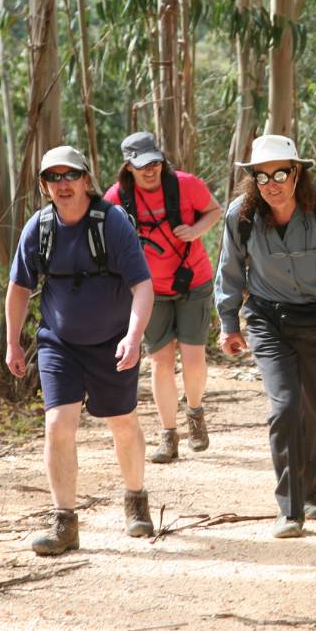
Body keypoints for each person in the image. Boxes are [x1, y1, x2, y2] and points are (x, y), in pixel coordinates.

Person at [215, 135, 316, 539]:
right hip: (267, 321)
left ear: (297, 172)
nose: (272, 183)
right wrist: (228, 324)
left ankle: (311, 488)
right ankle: (290, 509)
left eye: (281, 173)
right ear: (252, 180)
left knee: (313, 410)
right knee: (284, 407)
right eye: (262, 176)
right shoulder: (242, 216)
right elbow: (229, 272)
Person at [5, 145, 156, 555]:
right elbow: (19, 288)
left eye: (70, 175)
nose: (63, 184)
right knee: (58, 425)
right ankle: (64, 523)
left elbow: (142, 285)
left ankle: (135, 499)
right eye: (53, 177)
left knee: (123, 423)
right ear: (44, 186)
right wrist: (12, 341)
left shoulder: (112, 224)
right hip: (59, 342)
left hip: (113, 342)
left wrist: (134, 335)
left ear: (86, 180)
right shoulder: (39, 228)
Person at [104, 132, 222, 463]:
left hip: (193, 280)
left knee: (194, 355)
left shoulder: (186, 184)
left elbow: (214, 210)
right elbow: (106, 239)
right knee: (161, 360)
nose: (151, 170)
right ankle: (169, 435)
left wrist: (197, 230)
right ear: (128, 167)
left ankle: (195, 414)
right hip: (149, 290)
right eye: (143, 166)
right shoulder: (117, 198)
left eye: (156, 163)